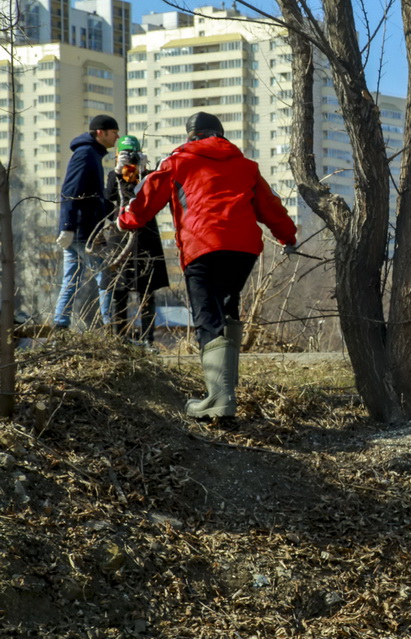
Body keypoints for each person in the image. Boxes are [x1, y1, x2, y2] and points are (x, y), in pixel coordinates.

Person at [118, 112, 297, 418]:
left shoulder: (177, 162)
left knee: (207, 319)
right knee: (226, 308)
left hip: (201, 246)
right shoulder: (246, 166)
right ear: (221, 134)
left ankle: (219, 398)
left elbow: (145, 200)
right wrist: (288, 237)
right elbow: (271, 206)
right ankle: (226, 390)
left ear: (191, 136)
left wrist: (124, 219)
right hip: (243, 250)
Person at [52, 114, 120, 330]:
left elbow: (93, 197)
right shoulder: (85, 154)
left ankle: (60, 327)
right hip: (84, 231)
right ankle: (110, 327)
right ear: (101, 132)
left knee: (71, 280)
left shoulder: (91, 154)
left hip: (79, 230)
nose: (117, 137)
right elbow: (69, 191)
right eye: (114, 132)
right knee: (105, 277)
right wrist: (67, 227)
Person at [105, 135, 169, 348]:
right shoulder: (113, 177)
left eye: (133, 155)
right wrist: (118, 172)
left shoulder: (147, 176)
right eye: (125, 155)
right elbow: (108, 201)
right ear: (117, 157)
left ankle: (148, 340)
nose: (130, 160)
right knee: (119, 291)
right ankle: (120, 340)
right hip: (120, 239)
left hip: (146, 238)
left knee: (147, 292)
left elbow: (155, 197)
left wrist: (145, 172)